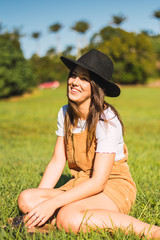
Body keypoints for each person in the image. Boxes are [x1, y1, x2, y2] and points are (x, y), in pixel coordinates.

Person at [16, 49, 160, 238]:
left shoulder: (106, 120)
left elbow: (99, 182)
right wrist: (41, 201)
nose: (74, 82)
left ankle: (152, 232)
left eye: (84, 78)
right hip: (81, 183)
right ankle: (58, 220)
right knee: (27, 199)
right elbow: (57, 162)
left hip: (111, 186)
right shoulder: (65, 113)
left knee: (68, 217)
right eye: (73, 75)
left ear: (96, 86)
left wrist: (51, 204)